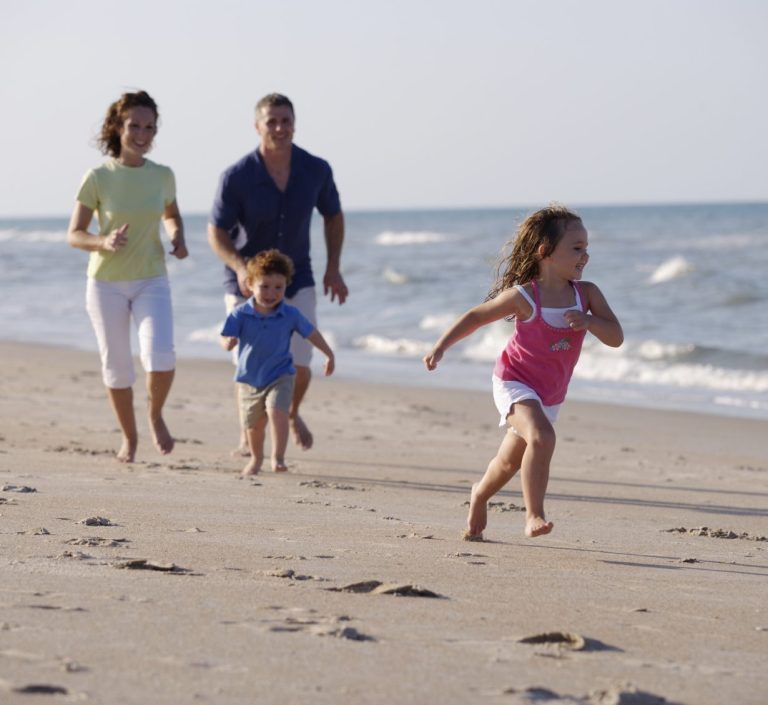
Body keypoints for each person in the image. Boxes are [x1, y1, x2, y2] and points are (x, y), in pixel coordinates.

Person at [424, 204, 623, 539]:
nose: (585, 256)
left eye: (587, 248)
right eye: (576, 248)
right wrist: (441, 346)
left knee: (509, 462)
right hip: (514, 381)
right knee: (542, 438)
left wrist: (590, 322)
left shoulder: (586, 294)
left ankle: (479, 494)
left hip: (551, 392)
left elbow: (616, 337)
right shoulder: (525, 296)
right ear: (545, 252)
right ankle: (534, 515)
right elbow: (477, 316)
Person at [208, 92, 347, 455]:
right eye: (272, 121)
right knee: (248, 365)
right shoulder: (237, 176)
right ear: (258, 126)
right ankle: (250, 430)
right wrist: (240, 267)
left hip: (297, 278)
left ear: (294, 124)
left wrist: (334, 268)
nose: (280, 127)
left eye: (286, 120)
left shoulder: (315, 169)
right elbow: (216, 231)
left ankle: (288, 411)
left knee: (301, 364)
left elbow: (333, 215)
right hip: (246, 283)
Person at [67, 90, 188, 463]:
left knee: (161, 356)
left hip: (151, 277)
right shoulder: (98, 177)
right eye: (134, 125)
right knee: (117, 367)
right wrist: (104, 240)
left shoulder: (163, 175)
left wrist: (176, 236)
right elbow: (75, 234)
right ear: (118, 127)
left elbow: (171, 214)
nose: (142, 133)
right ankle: (129, 438)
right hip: (106, 283)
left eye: (149, 127)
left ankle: (154, 415)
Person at [220, 249, 335, 476]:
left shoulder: (290, 314)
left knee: (277, 412)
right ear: (250, 284)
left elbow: (311, 333)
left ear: (286, 286)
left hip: (280, 375)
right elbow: (224, 337)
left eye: (278, 287)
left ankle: (278, 458)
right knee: (253, 426)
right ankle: (256, 459)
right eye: (265, 286)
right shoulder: (240, 313)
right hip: (249, 379)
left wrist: (328, 353)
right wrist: (228, 343)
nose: (271, 293)